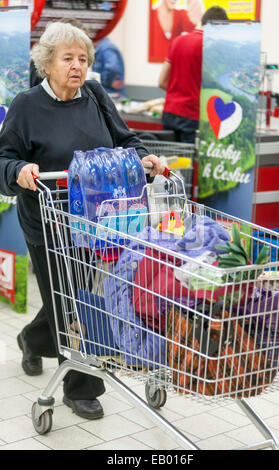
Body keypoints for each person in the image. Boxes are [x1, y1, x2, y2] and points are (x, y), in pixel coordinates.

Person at [0, 21, 164, 420]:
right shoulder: (26, 105)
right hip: (48, 221)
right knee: (70, 300)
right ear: (47, 63)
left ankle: (31, 337)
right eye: (68, 58)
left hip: (97, 220)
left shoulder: (93, 94)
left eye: (83, 58)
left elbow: (125, 140)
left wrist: (143, 159)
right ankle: (81, 387)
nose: (78, 65)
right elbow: (3, 158)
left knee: (71, 295)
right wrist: (19, 170)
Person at [158, 6, 228, 143]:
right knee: (186, 161)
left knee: (169, 161)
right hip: (192, 116)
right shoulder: (210, 47)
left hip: (170, 112)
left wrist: (179, 92)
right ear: (218, 26)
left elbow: (161, 82)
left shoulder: (177, 41)